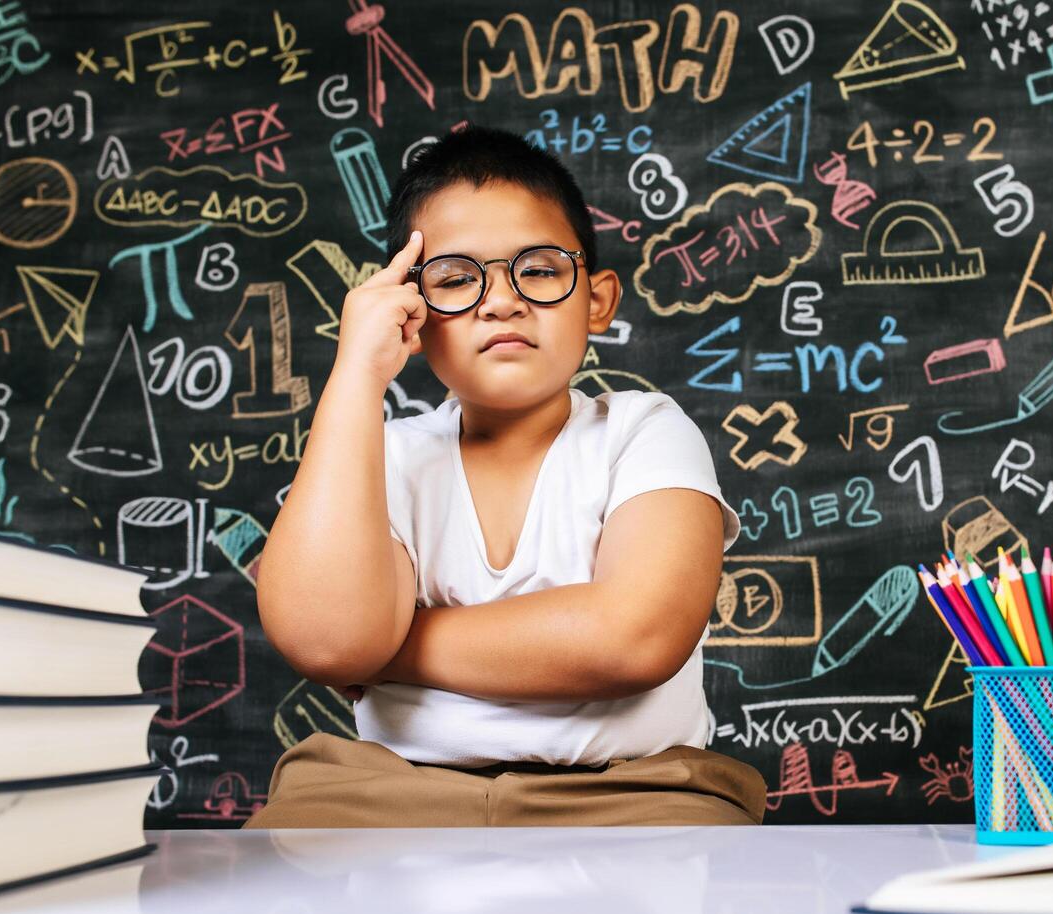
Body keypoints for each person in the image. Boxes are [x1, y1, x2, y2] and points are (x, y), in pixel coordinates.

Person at [244, 126, 765, 828]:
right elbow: (327, 642)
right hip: (393, 789)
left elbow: (633, 637)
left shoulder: (643, 430)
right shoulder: (384, 455)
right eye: (456, 280)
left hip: (632, 791)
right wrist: (355, 374)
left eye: (541, 270)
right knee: (282, 868)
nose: (500, 302)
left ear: (598, 299)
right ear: (413, 313)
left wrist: (390, 649)